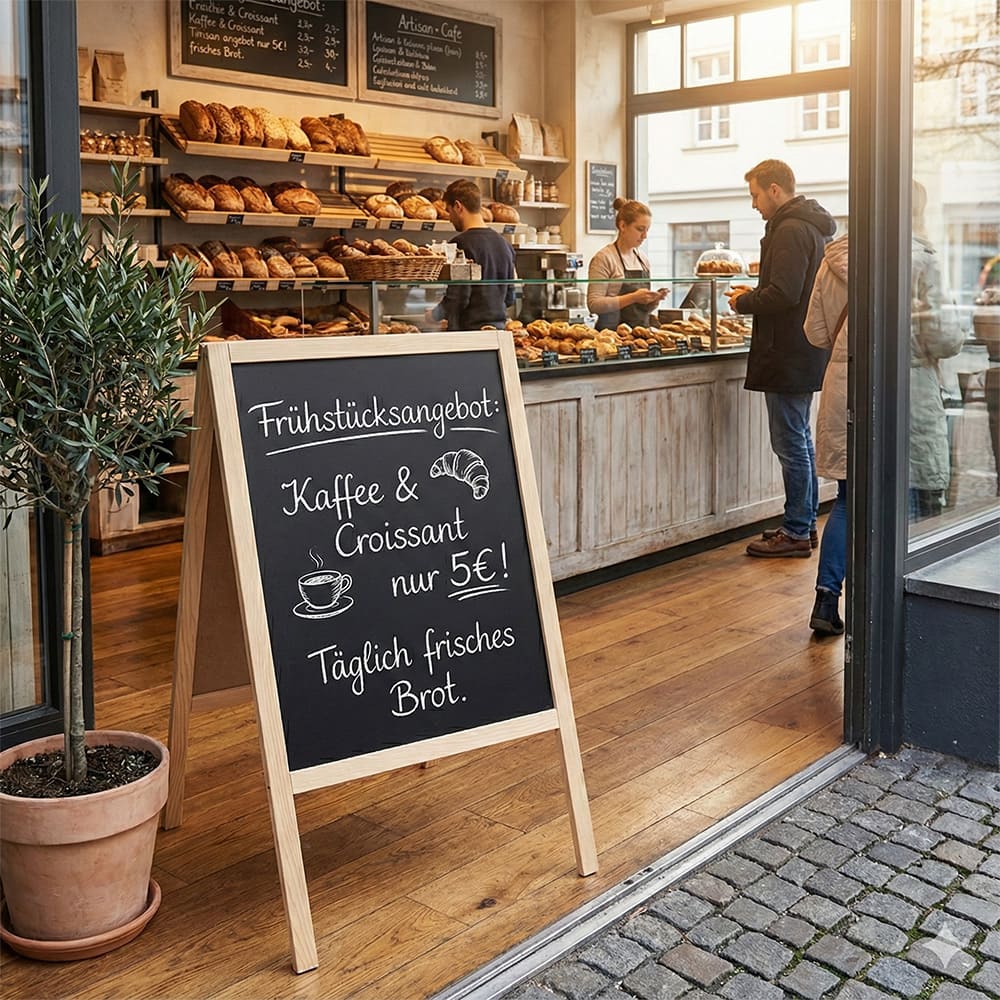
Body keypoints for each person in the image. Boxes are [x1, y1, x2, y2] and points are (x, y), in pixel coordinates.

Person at [725, 159, 836, 558]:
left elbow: (784, 293)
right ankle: (802, 524)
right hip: (804, 349)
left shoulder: (789, 229)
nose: (754, 204)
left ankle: (795, 530)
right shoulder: (810, 226)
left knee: (790, 443)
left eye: (755, 194)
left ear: (775, 189)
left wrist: (743, 301)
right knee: (799, 441)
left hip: (788, 351)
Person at [908, 181, 964, 520]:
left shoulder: (843, 256)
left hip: (854, 383)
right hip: (915, 385)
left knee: (858, 494)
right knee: (921, 490)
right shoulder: (924, 260)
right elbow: (945, 338)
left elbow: (816, 330)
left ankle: (831, 577)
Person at [803, 233, 849, 635]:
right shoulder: (915, 256)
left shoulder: (832, 259)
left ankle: (826, 597)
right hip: (895, 386)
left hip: (841, 383)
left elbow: (815, 332)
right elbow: (936, 335)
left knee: (848, 500)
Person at [430, 179, 516, 331]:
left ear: (458, 206)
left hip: (469, 335)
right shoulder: (504, 244)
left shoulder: (460, 244)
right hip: (498, 332)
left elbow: (459, 297)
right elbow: (510, 298)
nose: (450, 218)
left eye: (449, 211)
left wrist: (434, 315)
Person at [587, 198, 666, 330]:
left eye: (647, 230)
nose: (645, 235)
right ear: (622, 226)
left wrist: (653, 300)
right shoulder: (604, 258)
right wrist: (634, 297)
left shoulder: (643, 260)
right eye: (640, 229)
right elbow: (594, 304)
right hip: (612, 337)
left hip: (640, 335)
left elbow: (640, 309)